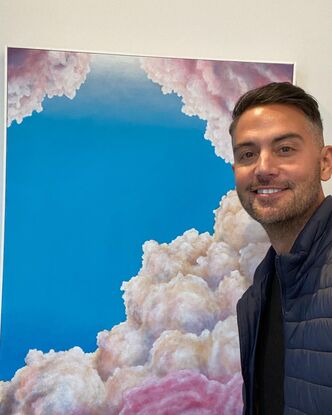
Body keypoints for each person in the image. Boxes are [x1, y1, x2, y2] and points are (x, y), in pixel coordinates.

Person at [229, 82, 332, 415]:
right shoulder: (260, 291)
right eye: (247, 154)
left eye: (285, 149)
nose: (263, 167)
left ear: (325, 163)